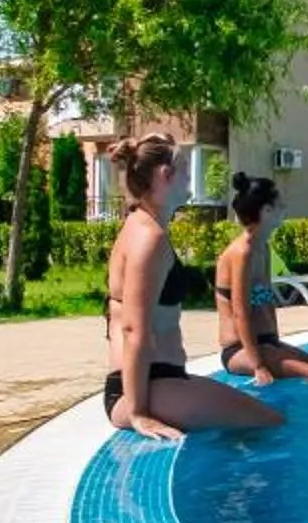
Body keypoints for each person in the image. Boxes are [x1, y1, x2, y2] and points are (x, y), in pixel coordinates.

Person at [103, 134, 282, 441]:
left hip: (155, 381)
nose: (190, 176)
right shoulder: (149, 237)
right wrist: (138, 413)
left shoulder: (144, 225)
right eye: (185, 167)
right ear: (165, 175)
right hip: (144, 387)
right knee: (272, 423)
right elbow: (133, 329)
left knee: (259, 426)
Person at [215, 174, 308, 386]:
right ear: (266, 211)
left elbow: (267, 301)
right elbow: (240, 312)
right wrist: (259, 366)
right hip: (240, 350)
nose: (285, 207)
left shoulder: (264, 248)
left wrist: (277, 345)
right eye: (280, 204)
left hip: (267, 342)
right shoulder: (242, 252)